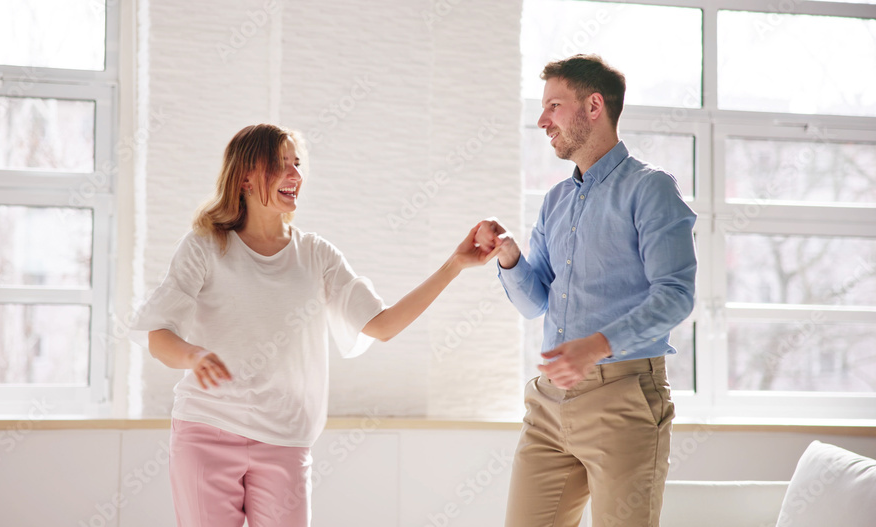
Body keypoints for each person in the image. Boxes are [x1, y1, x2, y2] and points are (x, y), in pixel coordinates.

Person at [131, 123, 499, 527]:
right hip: (207, 432)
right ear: (245, 177)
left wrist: (455, 265)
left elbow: (382, 324)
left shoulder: (316, 255)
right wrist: (193, 354)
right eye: (280, 164)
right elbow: (159, 335)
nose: (295, 175)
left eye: (297, 163)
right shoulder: (205, 245)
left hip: (285, 439)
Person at [475, 54, 697, 527]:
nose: (542, 120)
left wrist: (596, 346)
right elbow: (536, 303)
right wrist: (510, 257)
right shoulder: (555, 201)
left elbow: (676, 294)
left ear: (594, 106)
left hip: (623, 399)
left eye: (553, 106)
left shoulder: (650, 188)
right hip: (548, 404)